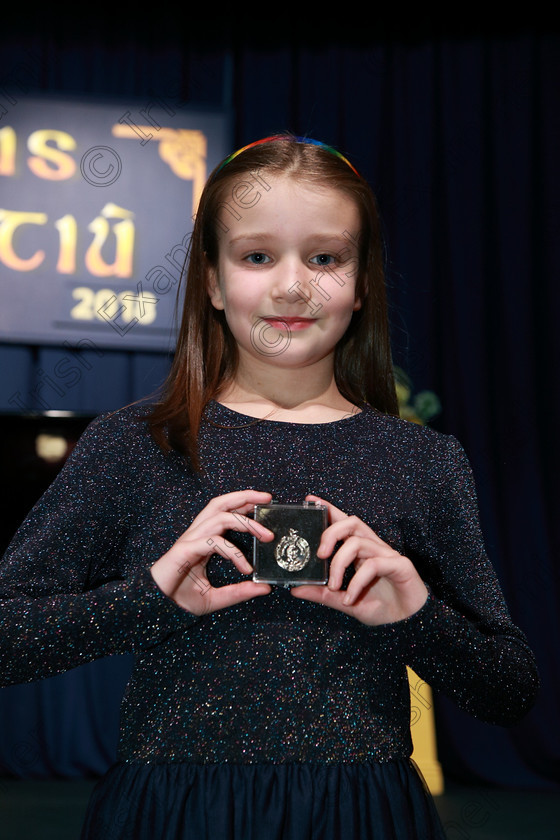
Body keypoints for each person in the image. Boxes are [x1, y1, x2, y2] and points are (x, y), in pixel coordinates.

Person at [0, 134, 539, 839]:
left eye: (325, 257)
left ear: (362, 280)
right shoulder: (138, 444)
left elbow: (509, 688)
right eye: (258, 256)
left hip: (362, 814)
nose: (292, 285)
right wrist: (151, 598)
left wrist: (416, 614)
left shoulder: (422, 459)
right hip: (172, 814)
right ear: (214, 282)